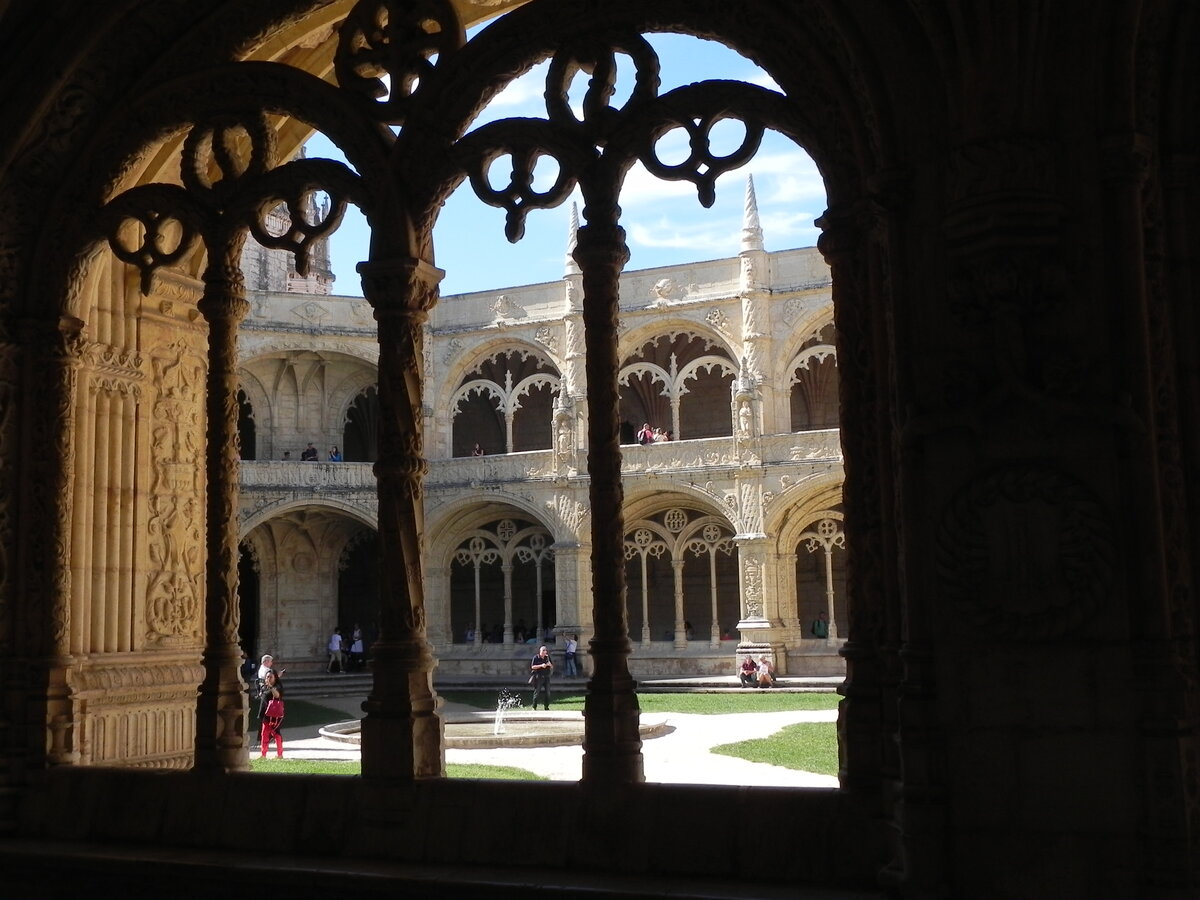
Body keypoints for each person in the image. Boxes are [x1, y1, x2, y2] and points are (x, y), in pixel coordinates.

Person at [258, 669, 285, 758]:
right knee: (264, 734)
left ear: (275, 678)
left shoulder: (277, 686)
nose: (268, 679)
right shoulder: (265, 687)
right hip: (265, 714)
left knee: (276, 733)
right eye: (267, 677)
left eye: (271, 677)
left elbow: (277, 695)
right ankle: (263, 754)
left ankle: (280, 754)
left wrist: (270, 687)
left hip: (274, 715)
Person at [529, 645, 553, 710]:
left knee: (548, 693)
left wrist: (549, 664)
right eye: (543, 650)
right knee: (537, 692)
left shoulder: (547, 657)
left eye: (545, 650)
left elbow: (552, 666)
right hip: (539, 677)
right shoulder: (536, 657)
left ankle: (546, 706)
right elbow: (532, 667)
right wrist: (541, 665)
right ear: (540, 651)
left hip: (546, 677)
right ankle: (534, 707)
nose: (545, 652)